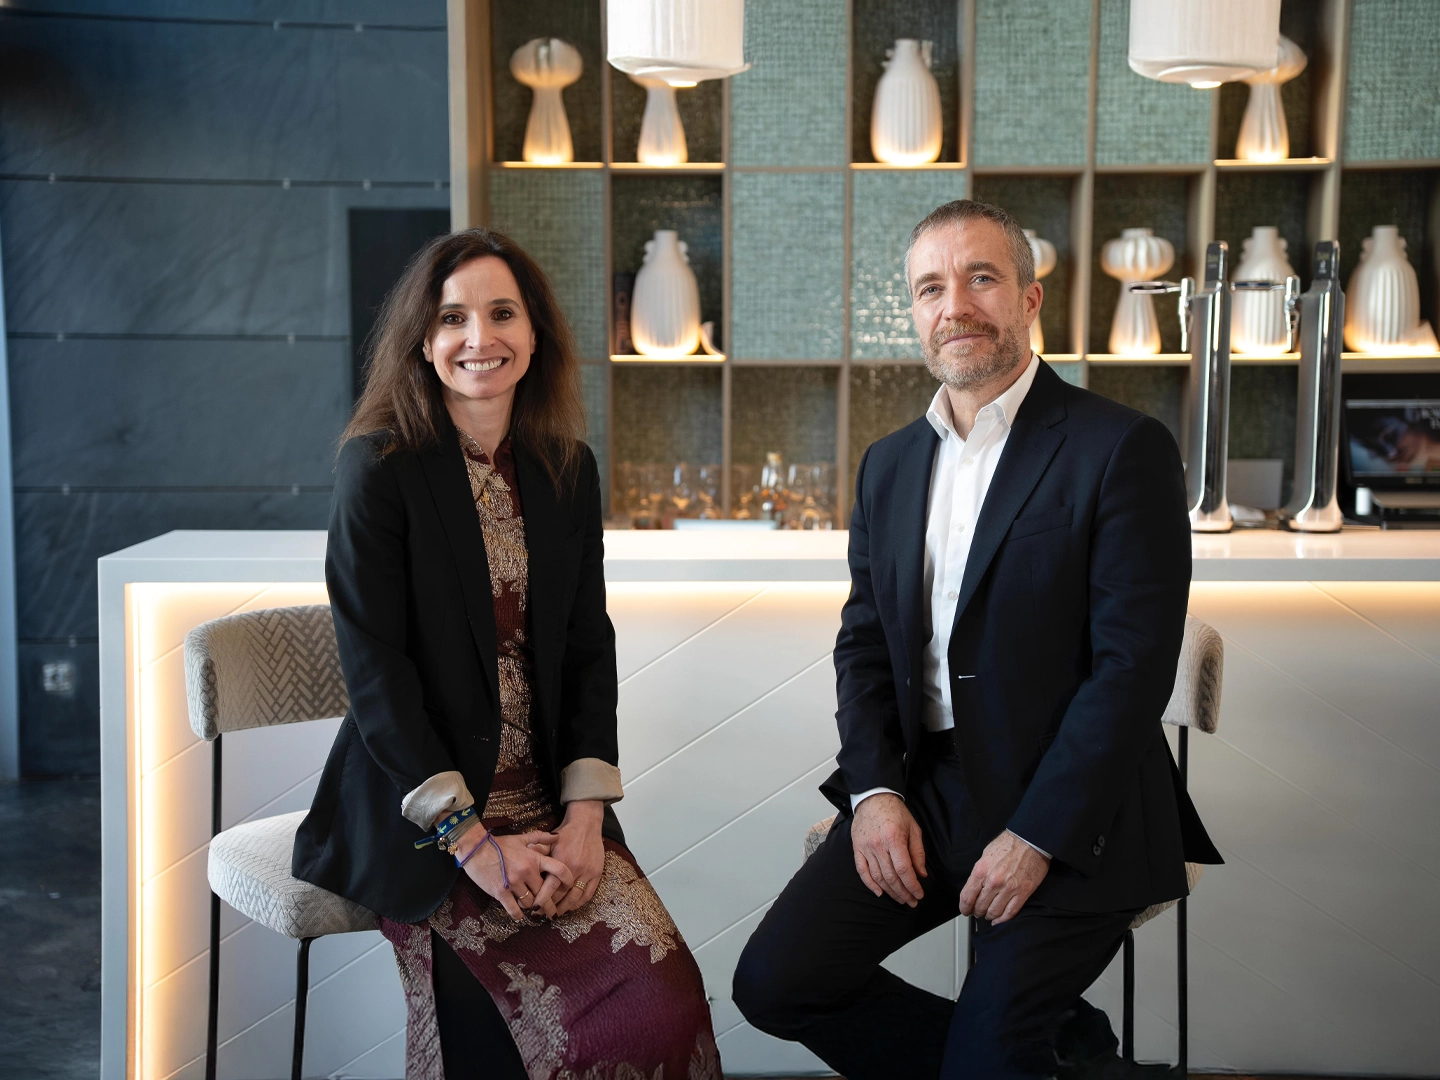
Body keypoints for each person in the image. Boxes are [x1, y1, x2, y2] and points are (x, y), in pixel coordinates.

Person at [732, 200, 1221, 1079]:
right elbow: (865, 647)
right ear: (914, 313)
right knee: (776, 983)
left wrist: (1036, 835)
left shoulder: (1120, 448)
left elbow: (1130, 671)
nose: (954, 304)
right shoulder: (888, 464)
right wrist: (877, 791)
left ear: (1031, 300)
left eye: (981, 278)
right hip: (930, 789)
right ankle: (1054, 1063)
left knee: (989, 1059)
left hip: (1077, 804)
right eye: (930, 287)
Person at [292, 228, 720, 1080]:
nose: (478, 339)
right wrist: (472, 841)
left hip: (554, 804)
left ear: (535, 336)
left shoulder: (565, 467)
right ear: (423, 339)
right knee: (494, 1040)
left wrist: (588, 818)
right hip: (429, 816)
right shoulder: (377, 468)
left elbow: (586, 647)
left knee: (663, 1004)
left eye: (501, 314)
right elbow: (375, 673)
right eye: (453, 318)